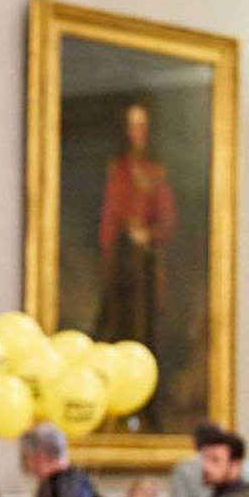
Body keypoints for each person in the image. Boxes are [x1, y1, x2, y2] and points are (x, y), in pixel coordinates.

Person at [97, 102, 176, 356]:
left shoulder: (156, 173)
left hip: (147, 261)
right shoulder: (118, 170)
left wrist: (149, 234)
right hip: (122, 258)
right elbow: (110, 218)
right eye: (132, 126)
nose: (137, 132)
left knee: (144, 323)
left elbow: (167, 218)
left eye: (141, 126)